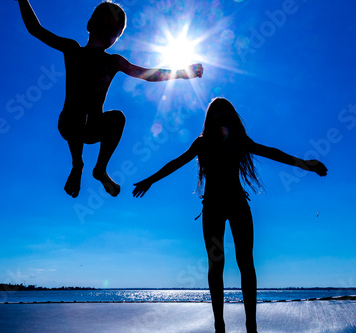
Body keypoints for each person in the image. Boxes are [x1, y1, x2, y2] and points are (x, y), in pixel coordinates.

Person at [133, 97, 327, 333]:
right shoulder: (201, 143)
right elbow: (176, 162)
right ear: (210, 117)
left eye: (223, 112)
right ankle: (219, 325)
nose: (219, 116)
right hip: (213, 208)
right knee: (217, 265)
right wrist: (150, 180)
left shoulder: (237, 141)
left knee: (246, 262)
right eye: (215, 112)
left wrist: (305, 164)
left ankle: (251, 326)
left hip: (237, 205)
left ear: (230, 116)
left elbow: (272, 152)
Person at [17, 0, 203, 198]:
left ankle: (100, 169)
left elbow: (147, 74)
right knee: (79, 111)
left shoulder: (113, 61)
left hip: (94, 128)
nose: (107, 33)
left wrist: (183, 73)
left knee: (117, 117)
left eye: (113, 32)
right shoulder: (73, 50)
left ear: (115, 39)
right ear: (90, 25)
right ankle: (77, 164)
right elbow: (35, 29)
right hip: (70, 124)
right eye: (103, 26)